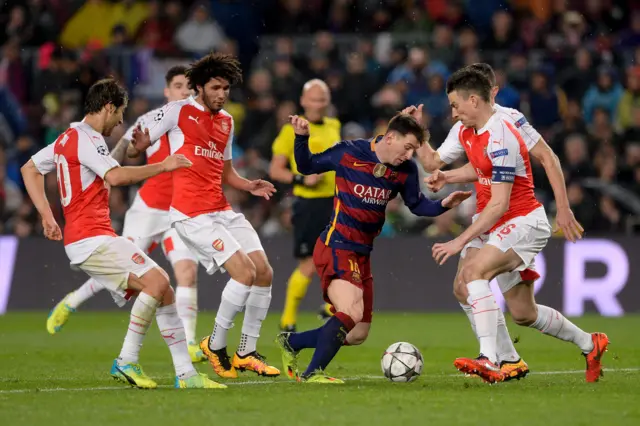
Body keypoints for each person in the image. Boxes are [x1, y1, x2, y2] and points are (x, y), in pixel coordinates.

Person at [21, 78, 223, 389]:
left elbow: (29, 169)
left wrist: (47, 216)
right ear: (109, 107)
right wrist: (162, 166)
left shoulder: (66, 139)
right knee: (157, 283)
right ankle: (126, 360)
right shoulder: (87, 139)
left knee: (164, 291)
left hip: (91, 237)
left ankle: (187, 375)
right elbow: (115, 176)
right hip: (91, 238)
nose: (120, 123)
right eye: (120, 114)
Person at [428, 67, 608, 383]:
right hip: (493, 222)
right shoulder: (469, 130)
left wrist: (563, 208)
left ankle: (491, 359)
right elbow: (474, 166)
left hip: (518, 219)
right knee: (520, 311)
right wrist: (445, 172)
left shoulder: (505, 128)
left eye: (456, 105)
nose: (452, 113)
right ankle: (584, 343)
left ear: (476, 98)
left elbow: (545, 161)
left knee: (473, 274)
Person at [275, 113, 472, 383]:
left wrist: (443, 205)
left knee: (357, 333)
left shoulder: (406, 169)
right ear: (390, 137)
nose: (409, 154)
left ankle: (292, 342)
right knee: (351, 313)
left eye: (414, 150)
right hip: (336, 244)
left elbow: (416, 204)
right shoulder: (349, 152)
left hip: (362, 253)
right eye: (408, 147)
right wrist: (301, 138)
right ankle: (312, 374)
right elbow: (307, 165)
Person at [131, 53, 280, 379]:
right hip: (190, 214)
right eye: (216, 87)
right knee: (244, 272)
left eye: (226, 88)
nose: (222, 94)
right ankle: (215, 345)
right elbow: (136, 147)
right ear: (199, 87)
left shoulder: (227, 120)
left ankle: (246, 352)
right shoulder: (178, 111)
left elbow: (226, 171)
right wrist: (138, 144)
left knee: (264, 272)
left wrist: (248, 185)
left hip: (221, 209)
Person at [269, 79, 339, 332]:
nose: (318, 104)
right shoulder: (290, 131)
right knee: (309, 265)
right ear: (303, 101)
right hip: (309, 204)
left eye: (322, 99)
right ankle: (288, 320)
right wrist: (301, 179)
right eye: (314, 99)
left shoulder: (334, 125)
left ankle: (329, 307)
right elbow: (275, 170)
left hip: (335, 201)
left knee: (338, 258)